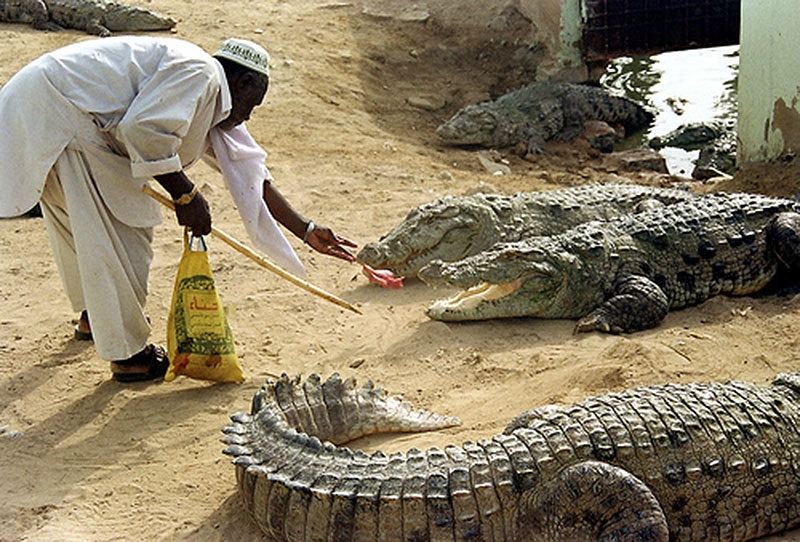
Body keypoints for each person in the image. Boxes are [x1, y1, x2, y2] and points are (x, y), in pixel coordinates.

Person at [0, 37, 356, 382]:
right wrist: (186, 195)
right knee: (122, 234)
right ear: (243, 82)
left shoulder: (210, 96)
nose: (248, 115)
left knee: (84, 226)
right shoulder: (201, 75)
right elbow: (143, 130)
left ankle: (97, 315)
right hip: (61, 114)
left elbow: (250, 173)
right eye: (254, 103)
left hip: (37, 110)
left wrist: (305, 230)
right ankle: (130, 357)